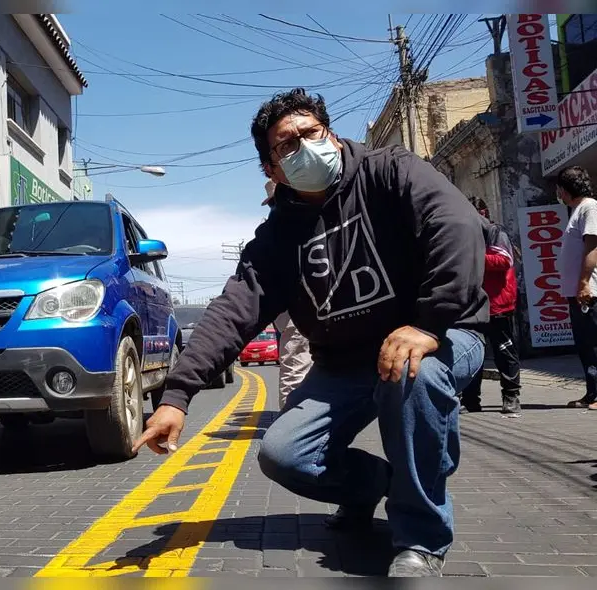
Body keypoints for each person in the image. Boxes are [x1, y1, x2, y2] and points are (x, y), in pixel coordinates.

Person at [133, 88, 488, 577]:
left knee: (416, 376)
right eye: (287, 145)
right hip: (346, 363)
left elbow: (454, 223)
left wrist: (427, 322)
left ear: (332, 136)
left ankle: (421, 539)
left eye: (311, 133)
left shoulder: (391, 170)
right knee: (284, 455)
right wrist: (176, 396)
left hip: (440, 334)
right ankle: (375, 485)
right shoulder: (276, 239)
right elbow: (231, 312)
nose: (304, 147)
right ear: (272, 169)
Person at [460, 216, 522, 415]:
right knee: (471, 353)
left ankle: (511, 396)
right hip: (473, 303)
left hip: (496, 302)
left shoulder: (494, 232)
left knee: (504, 350)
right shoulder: (464, 232)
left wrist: (471, 256)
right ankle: (470, 399)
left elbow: (504, 260)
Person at [264, 181, 315, 410]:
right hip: (299, 308)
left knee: (299, 367)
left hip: (295, 311)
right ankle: (290, 420)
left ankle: (297, 418)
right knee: (297, 367)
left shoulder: (277, 225)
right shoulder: (285, 225)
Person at [554, 166, 597, 411]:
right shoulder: (577, 210)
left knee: (594, 342)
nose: (558, 194)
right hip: (577, 291)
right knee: (585, 345)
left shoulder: (590, 207)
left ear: (565, 189)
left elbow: (593, 247)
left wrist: (583, 283)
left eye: (559, 188)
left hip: (589, 290)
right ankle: (592, 394)